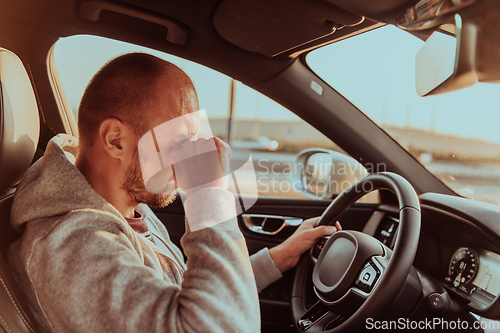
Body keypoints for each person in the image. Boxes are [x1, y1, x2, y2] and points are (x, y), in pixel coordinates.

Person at [8, 53, 341, 332]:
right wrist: (208, 194)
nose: (198, 151)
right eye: (181, 139)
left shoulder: (125, 206)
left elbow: (188, 292)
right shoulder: (72, 247)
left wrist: (279, 257)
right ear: (115, 140)